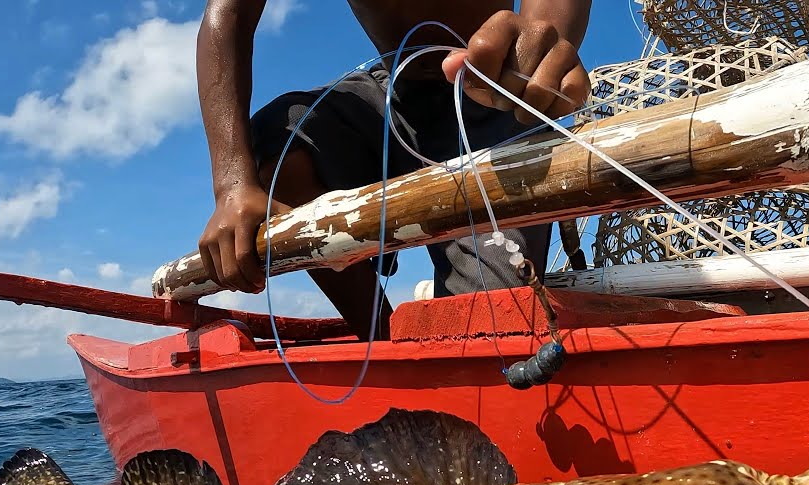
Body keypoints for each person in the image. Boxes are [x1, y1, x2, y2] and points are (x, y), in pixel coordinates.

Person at [194, 0, 593, 339]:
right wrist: (231, 185)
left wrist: (540, 57)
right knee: (279, 139)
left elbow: (546, 31)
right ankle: (381, 340)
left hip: (494, 98)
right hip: (391, 97)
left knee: (497, 326)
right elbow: (228, 14)